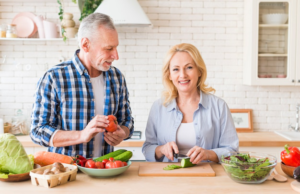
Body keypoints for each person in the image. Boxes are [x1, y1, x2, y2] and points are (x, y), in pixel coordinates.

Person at [30, 13, 134, 158]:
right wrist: (81, 135)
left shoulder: (116, 77)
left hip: (104, 170)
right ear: (85, 45)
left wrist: (123, 132)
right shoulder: (54, 78)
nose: (116, 56)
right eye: (109, 48)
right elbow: (38, 132)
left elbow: (127, 120)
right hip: (66, 173)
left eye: (116, 48)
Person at [142, 43, 238, 164]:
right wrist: (161, 149)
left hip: (208, 177)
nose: (183, 75)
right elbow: (147, 149)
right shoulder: (158, 107)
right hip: (167, 176)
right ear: (169, 75)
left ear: (199, 71)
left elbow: (232, 151)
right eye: (176, 69)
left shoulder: (219, 106)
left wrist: (208, 154)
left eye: (189, 67)